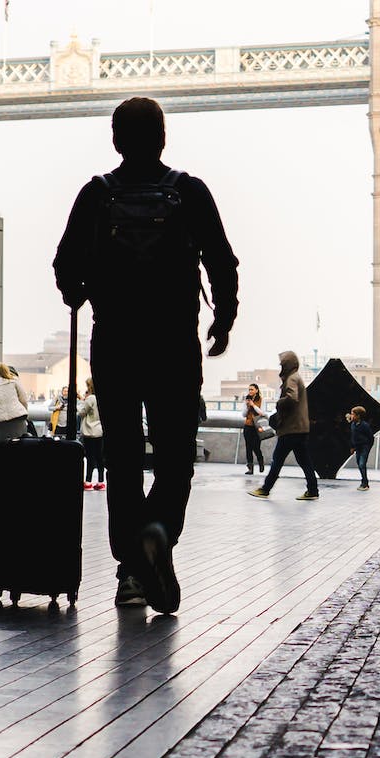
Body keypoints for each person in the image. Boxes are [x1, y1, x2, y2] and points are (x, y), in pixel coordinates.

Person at [55, 95, 239, 615]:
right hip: (174, 344)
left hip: (114, 345)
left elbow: (65, 268)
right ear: (163, 138)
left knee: (124, 456)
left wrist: (82, 289)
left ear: (115, 140)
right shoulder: (189, 192)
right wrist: (222, 319)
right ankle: (159, 532)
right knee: (177, 452)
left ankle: (130, 571)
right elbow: (223, 261)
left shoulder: (96, 194)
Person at [252, 350, 316, 502]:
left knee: (277, 460)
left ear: (287, 365)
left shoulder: (292, 379)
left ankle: (265, 489)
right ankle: (313, 490)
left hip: (291, 429)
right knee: (305, 461)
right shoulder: (296, 377)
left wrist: (278, 403)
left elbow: (291, 398)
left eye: (282, 364)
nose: (281, 367)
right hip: (299, 428)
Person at [0, 363, 30, 443]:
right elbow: (23, 400)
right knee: (20, 446)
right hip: (18, 417)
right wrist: (24, 412)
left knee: (2, 448)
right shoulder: (14, 380)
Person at [79, 378, 105, 491]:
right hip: (99, 430)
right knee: (99, 457)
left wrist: (81, 401)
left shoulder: (90, 398)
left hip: (90, 431)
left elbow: (81, 412)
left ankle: (88, 481)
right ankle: (101, 481)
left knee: (90, 457)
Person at [347, 405, 374, 491]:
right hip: (357, 448)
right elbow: (352, 437)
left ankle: (365, 483)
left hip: (364, 447)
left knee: (362, 464)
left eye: (353, 414)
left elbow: (370, 437)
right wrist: (352, 447)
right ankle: (364, 481)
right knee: (359, 464)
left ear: (358, 416)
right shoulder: (353, 425)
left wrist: (368, 446)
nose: (351, 416)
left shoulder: (364, 425)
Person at [241, 383, 266, 474]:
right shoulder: (246, 400)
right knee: (248, 447)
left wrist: (253, 405)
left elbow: (262, 413)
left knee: (256, 446)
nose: (250, 391)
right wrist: (248, 406)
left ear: (256, 390)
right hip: (248, 426)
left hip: (257, 427)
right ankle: (250, 468)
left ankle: (260, 461)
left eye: (252, 389)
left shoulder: (261, 400)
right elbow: (243, 414)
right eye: (249, 390)